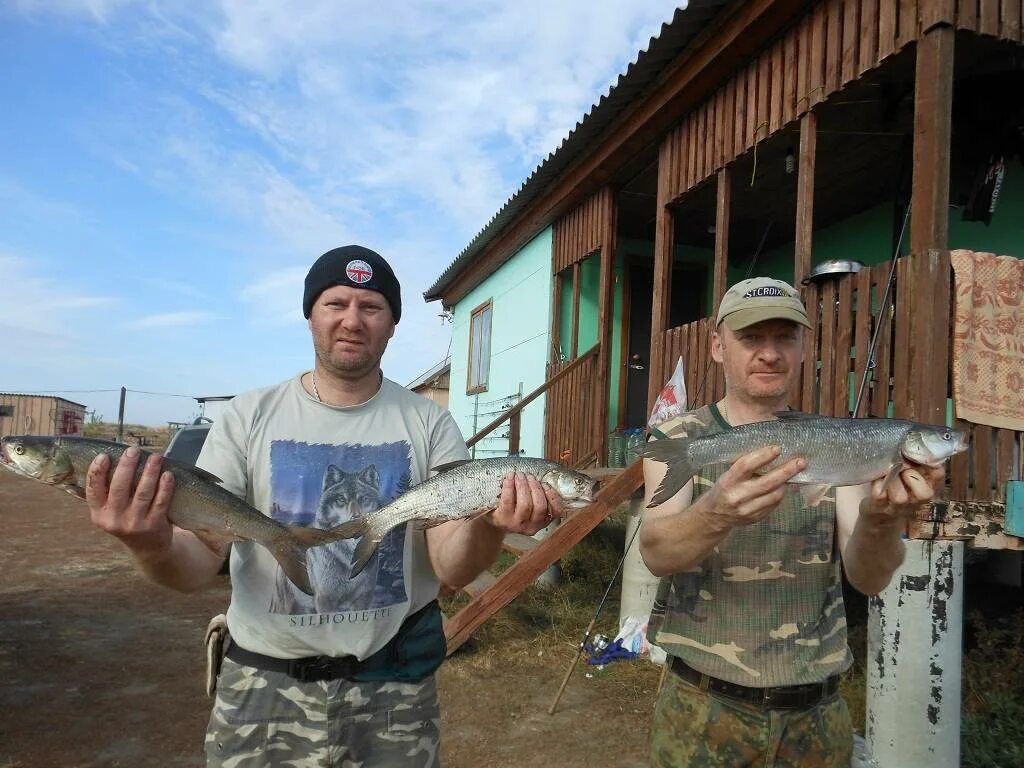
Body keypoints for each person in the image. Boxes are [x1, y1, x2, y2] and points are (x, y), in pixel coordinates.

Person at [86, 244, 563, 767]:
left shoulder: (429, 423)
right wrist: (149, 543)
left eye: (371, 306)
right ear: (311, 314)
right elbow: (197, 564)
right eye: (336, 303)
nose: (352, 321)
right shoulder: (248, 416)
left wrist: (491, 526)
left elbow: (450, 563)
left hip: (392, 694)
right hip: (262, 692)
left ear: (392, 324)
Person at [639, 277, 944, 767]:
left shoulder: (839, 443)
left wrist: (882, 519)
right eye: (751, 338)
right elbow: (655, 553)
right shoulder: (680, 437)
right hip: (700, 707)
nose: (770, 353)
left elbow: (868, 578)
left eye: (784, 337)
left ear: (803, 347)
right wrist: (717, 513)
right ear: (718, 346)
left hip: (815, 717)